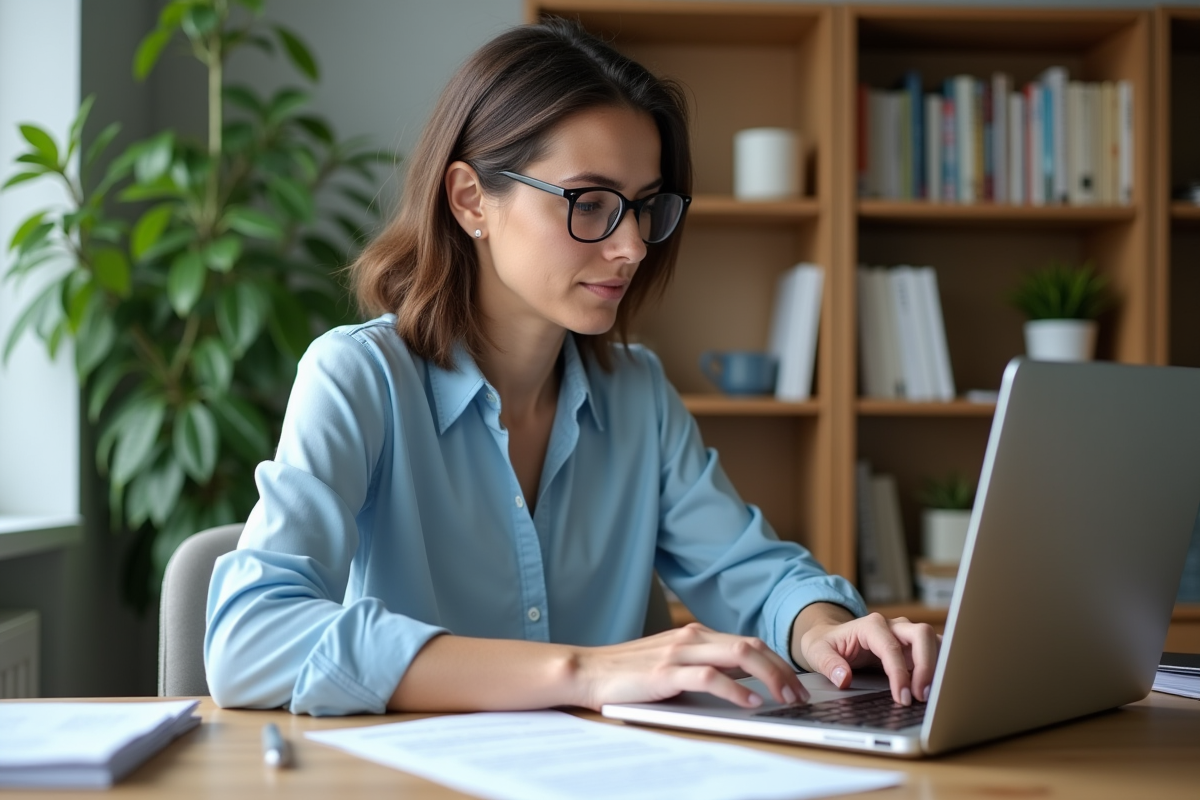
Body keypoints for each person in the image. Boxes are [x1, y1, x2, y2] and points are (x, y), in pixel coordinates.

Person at [204, 18, 939, 717]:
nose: (631, 247)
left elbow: (752, 572)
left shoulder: (639, 395)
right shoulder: (358, 379)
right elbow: (249, 638)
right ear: (471, 201)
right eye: (591, 203)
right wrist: (581, 672)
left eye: (645, 207)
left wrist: (822, 632)